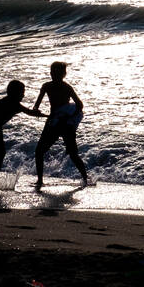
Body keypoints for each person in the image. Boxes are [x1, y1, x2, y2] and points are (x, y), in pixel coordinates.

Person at [0, 80, 46, 193]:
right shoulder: (8, 103)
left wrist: (47, 115)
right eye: (22, 92)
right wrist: (0, 138)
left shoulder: (15, 104)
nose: (23, 95)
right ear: (14, 93)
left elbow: (30, 112)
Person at [30, 61, 88, 191]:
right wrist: (35, 110)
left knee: (73, 154)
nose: (54, 75)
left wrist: (69, 118)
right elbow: (37, 104)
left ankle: (85, 179)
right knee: (39, 151)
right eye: (52, 72)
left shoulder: (67, 87)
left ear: (64, 74)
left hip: (65, 124)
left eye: (58, 73)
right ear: (50, 73)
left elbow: (79, 104)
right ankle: (39, 180)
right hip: (53, 122)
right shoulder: (46, 86)